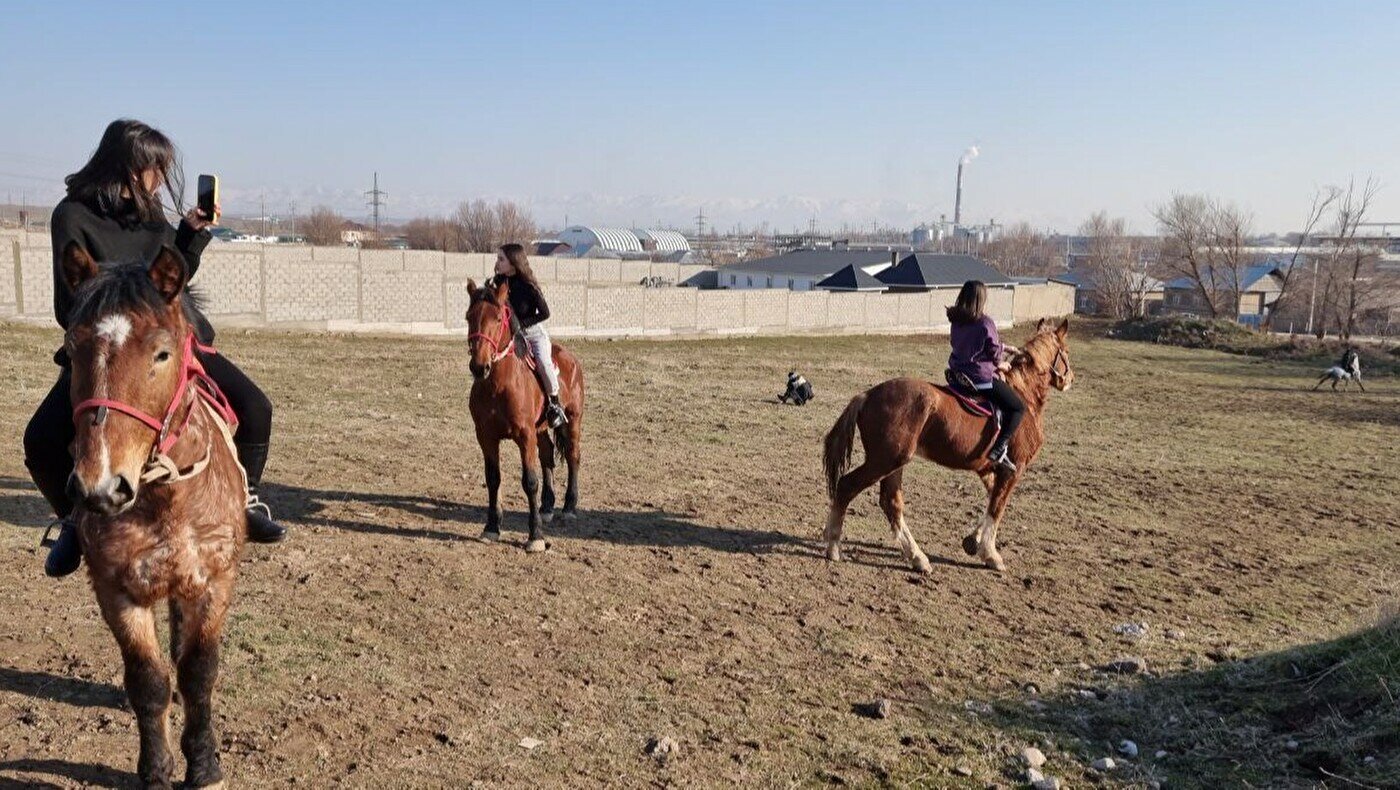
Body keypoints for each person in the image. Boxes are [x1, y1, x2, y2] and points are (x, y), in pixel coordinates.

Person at [25, 119, 286, 579]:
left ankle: (246, 499)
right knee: (41, 441)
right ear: (125, 166)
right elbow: (71, 301)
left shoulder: (149, 217)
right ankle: (73, 520)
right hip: (104, 352)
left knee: (255, 406)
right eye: (153, 168)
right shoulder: (71, 216)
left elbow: (168, 283)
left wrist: (188, 236)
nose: (159, 179)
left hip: (167, 346)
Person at [947, 280, 1024, 472]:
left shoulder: (956, 320)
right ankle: (999, 449)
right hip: (979, 379)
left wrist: (1006, 347)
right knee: (1017, 408)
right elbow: (993, 351)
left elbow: (975, 343)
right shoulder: (985, 322)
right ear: (981, 299)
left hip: (958, 375)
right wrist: (1002, 363)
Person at [492, 243, 567, 428]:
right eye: (498, 258)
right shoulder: (498, 281)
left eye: (501, 259)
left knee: (542, 362)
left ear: (513, 262)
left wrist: (521, 324)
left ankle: (554, 405)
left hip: (533, 334)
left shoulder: (528, 286)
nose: (498, 262)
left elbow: (545, 313)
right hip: (509, 335)